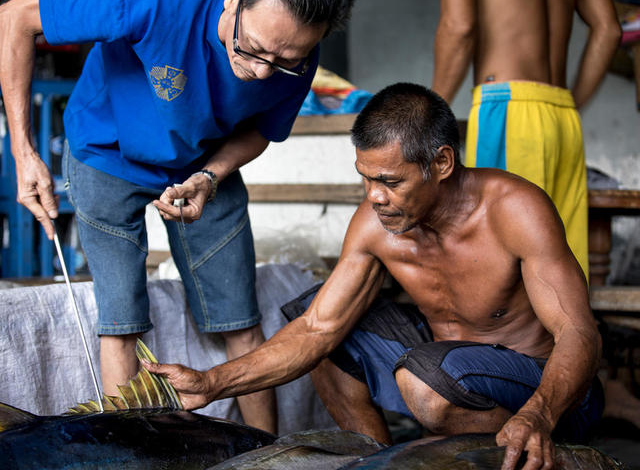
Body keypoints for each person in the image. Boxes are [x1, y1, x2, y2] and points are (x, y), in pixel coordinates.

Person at [144, 83, 604, 470]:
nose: (374, 197)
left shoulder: (514, 210)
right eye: (365, 179)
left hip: (546, 393)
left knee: (426, 378)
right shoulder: (375, 224)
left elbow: (579, 332)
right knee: (319, 324)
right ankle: (381, 463)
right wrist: (211, 383)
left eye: (390, 181)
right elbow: (317, 329)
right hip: (442, 376)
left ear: (441, 164)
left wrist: (540, 415)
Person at [0, 0, 354, 433]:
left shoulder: (297, 52)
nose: (262, 71)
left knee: (240, 319)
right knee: (121, 323)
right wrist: (24, 152)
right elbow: (14, 17)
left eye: (283, 60)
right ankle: (127, 455)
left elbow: (262, 130)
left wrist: (210, 176)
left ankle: (265, 453)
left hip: (201, 159)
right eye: (254, 48)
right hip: (105, 150)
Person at [431, 0, 622, 279]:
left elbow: (459, 27)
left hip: (507, 108)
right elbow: (608, 29)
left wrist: (424, 114)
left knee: (499, 271)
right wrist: (572, 104)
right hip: (562, 115)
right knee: (562, 274)